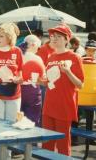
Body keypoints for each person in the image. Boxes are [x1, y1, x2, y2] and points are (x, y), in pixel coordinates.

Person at [40, 24, 84, 156]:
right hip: (48, 105)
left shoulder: (74, 57)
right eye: (53, 36)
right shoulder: (51, 57)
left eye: (58, 36)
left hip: (64, 106)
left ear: (66, 40)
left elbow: (80, 84)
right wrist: (40, 81)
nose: (54, 39)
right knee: (46, 143)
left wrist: (68, 72)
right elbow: (50, 83)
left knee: (63, 144)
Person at [20, 34, 45, 126]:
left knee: (19, 118)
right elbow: (43, 76)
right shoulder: (37, 58)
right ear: (34, 45)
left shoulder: (17, 56)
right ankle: (33, 140)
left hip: (17, 89)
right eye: (38, 48)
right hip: (32, 89)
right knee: (33, 119)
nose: (38, 50)